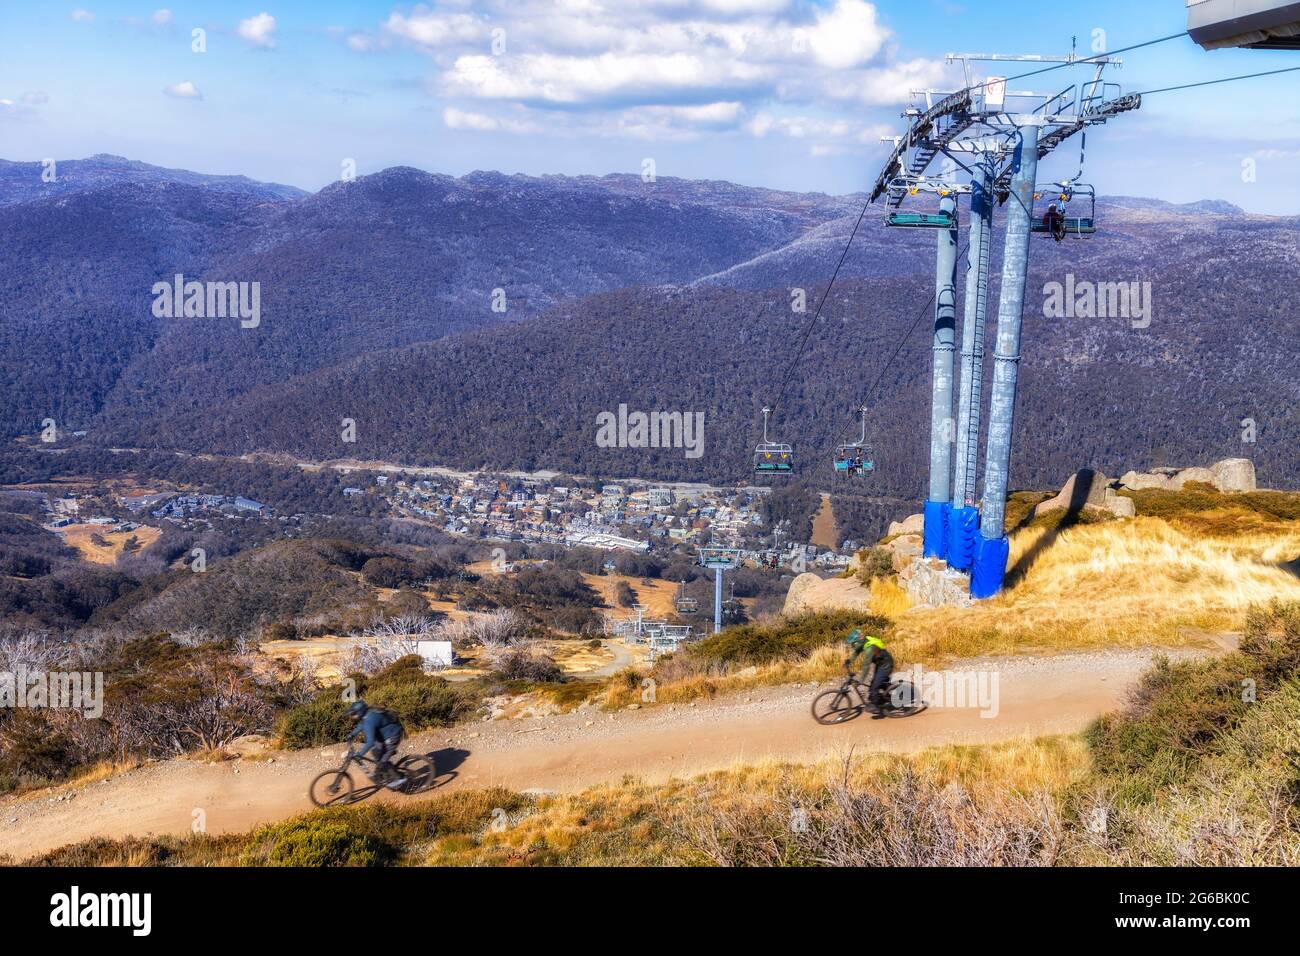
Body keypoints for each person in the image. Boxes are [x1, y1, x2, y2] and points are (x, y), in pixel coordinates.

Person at [346, 700, 406, 788]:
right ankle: (387, 772)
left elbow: (370, 742)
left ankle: (400, 778)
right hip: (383, 736)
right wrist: (352, 734)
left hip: (392, 736)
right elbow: (361, 725)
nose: (352, 716)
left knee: (382, 761)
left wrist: (360, 754)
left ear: (360, 712)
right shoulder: (367, 715)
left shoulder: (369, 720)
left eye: (354, 714)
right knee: (376, 753)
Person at [844, 628, 894, 718]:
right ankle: (888, 696)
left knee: (874, 687)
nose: (852, 647)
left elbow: (866, 666)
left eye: (853, 644)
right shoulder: (863, 642)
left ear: (856, 642)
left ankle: (875, 706)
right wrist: (849, 661)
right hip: (881, 664)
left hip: (886, 665)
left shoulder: (870, 648)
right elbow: (856, 652)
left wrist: (860, 681)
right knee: (875, 683)